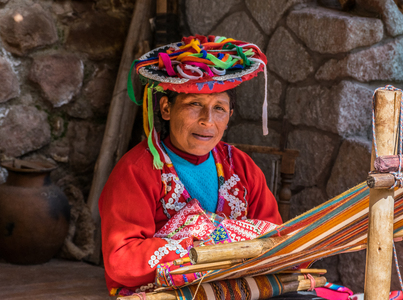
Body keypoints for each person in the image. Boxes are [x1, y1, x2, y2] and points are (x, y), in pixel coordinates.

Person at [99, 35, 282, 296]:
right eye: (194, 104)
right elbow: (122, 259)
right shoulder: (138, 170)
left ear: (229, 117)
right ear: (165, 108)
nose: (208, 120)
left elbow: (276, 237)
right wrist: (205, 246)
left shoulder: (241, 167)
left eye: (219, 108)